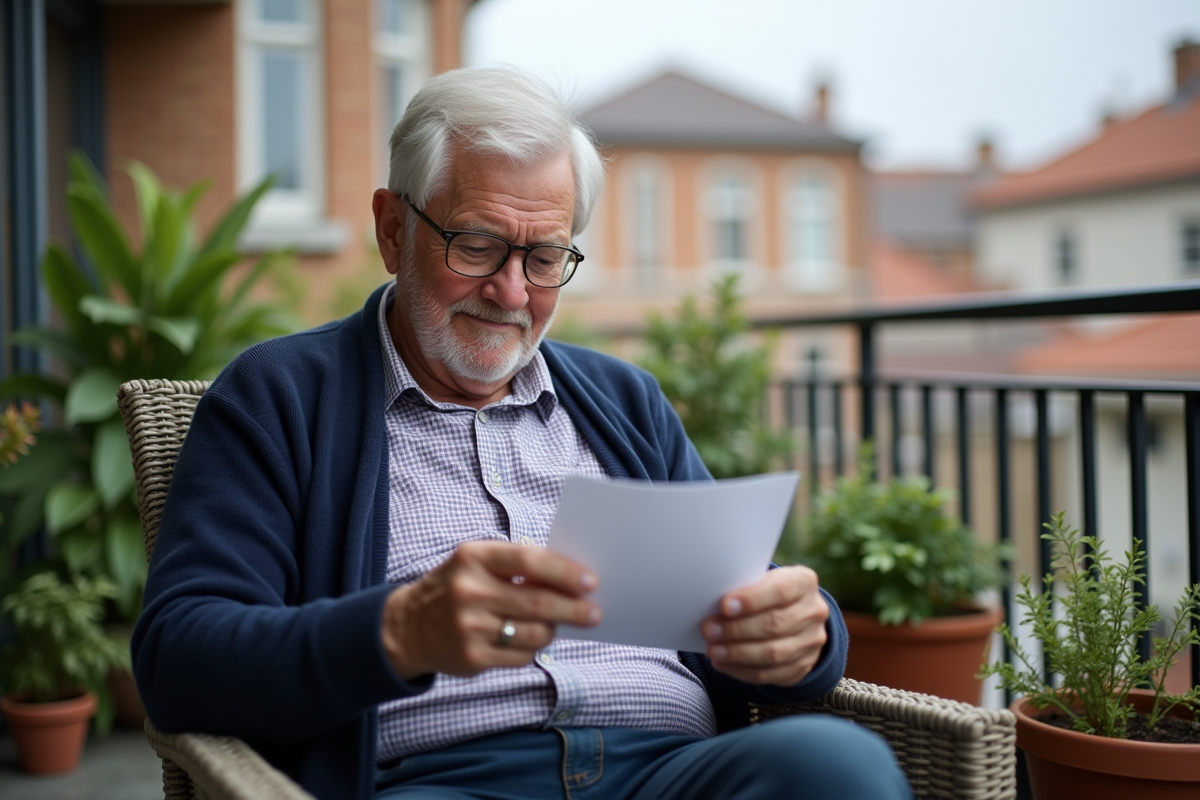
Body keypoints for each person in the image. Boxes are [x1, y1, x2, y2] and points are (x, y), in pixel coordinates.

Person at [133, 67, 910, 800]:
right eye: (476, 245)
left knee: (838, 763)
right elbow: (178, 658)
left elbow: (737, 592)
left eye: (544, 257)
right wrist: (399, 632)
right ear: (393, 229)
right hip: (443, 777)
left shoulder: (624, 400)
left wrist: (802, 637)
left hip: (668, 770)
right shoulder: (282, 397)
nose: (511, 292)